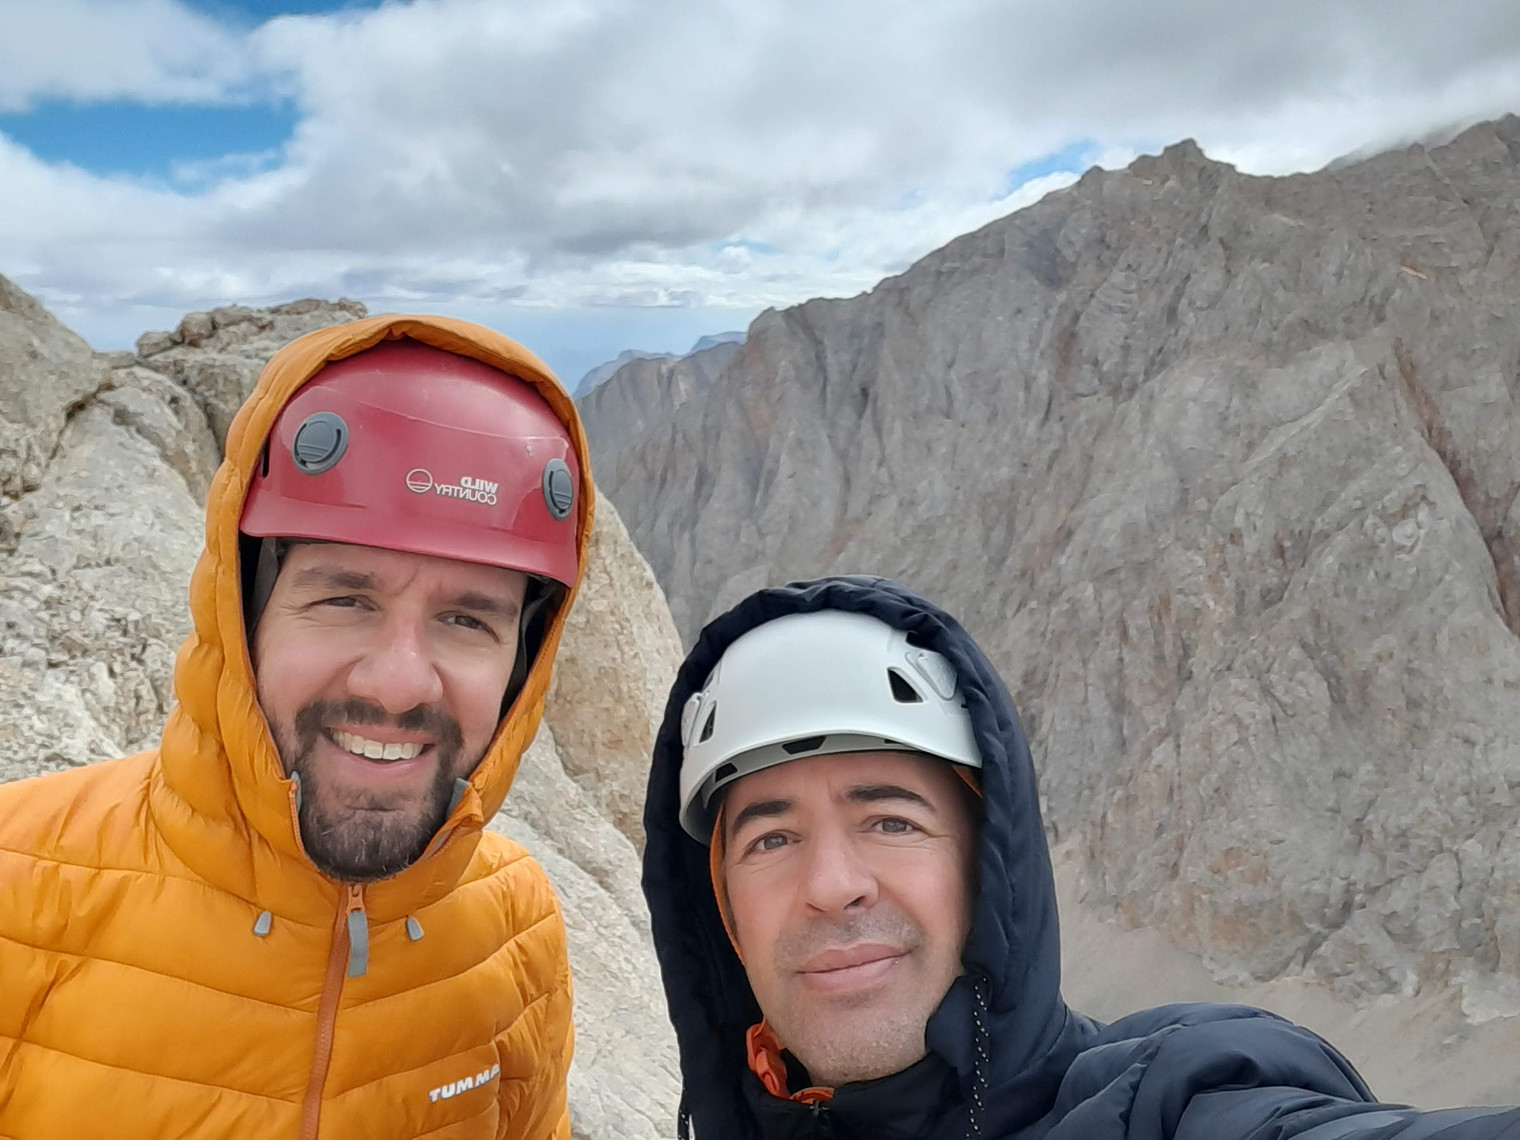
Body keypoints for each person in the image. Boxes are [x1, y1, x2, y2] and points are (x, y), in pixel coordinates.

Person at [642, 575, 1520, 1139]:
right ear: (723, 911)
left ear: (987, 871)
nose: (833, 887)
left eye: (892, 822)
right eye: (772, 839)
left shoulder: (1167, 1106)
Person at [0, 317, 592, 1139]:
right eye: (344, 599)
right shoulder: (17, 886)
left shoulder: (516, 928)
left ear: (521, 665)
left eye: (467, 619)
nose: (398, 683)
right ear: (243, 617)